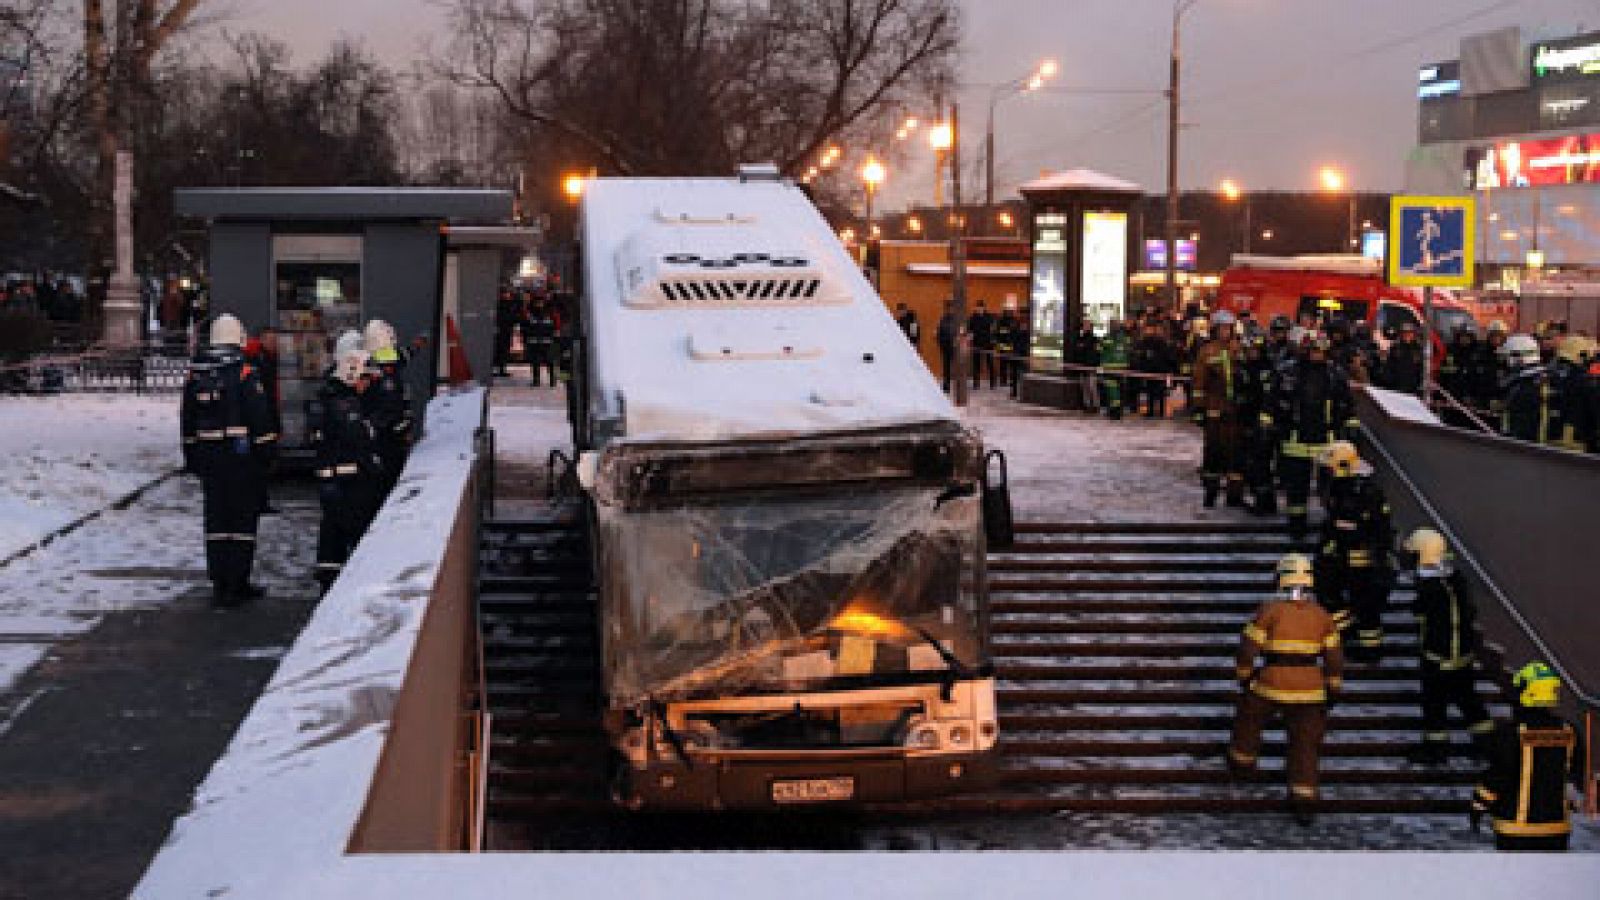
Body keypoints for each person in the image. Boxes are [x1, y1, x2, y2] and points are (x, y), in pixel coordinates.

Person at [1228, 553, 1343, 827]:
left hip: (1271, 682)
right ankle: (1304, 798)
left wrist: (1244, 676)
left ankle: (1242, 763)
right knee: (1305, 744)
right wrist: (1333, 687)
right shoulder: (1322, 616)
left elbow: (1247, 649)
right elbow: (1334, 658)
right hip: (1310, 689)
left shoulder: (1269, 611)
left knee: (1249, 719)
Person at [179, 314, 277, 607]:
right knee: (242, 521)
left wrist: (192, 456)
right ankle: (237, 582)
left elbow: (187, 419)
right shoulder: (244, 372)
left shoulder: (197, 373)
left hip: (209, 458)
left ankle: (219, 581)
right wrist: (267, 453)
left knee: (216, 519)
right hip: (241, 460)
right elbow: (259, 417)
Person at [1402, 527, 1493, 766]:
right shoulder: (1454, 580)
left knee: (1434, 704)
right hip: (1462, 655)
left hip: (1438, 657)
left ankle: (1436, 750)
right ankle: (1487, 744)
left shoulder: (1430, 587)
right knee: (1469, 700)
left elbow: (1422, 613)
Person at [1471, 662, 1584, 852]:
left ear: (1527, 693)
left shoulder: (1512, 733)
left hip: (1514, 831)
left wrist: (1478, 805)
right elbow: (1575, 778)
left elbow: (1498, 776)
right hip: (1556, 830)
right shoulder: (1569, 732)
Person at [308, 344, 385, 595]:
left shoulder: (327, 398)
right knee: (349, 532)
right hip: (348, 483)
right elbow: (359, 439)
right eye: (364, 378)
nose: (367, 384)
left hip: (332, 483)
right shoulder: (345, 405)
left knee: (331, 533)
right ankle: (344, 585)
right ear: (352, 375)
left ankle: (328, 580)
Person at [1313, 441, 1393, 662]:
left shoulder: (1361, 493)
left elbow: (1365, 530)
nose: (1325, 473)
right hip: (1343, 559)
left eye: (1329, 468)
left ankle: (1370, 650)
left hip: (1362, 563)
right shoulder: (1344, 488)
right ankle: (1348, 634)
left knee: (1365, 608)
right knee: (1330, 595)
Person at [1269, 337, 1354, 539]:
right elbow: (1273, 399)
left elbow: (1346, 403)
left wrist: (1350, 426)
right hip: (1295, 440)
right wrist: (1270, 423)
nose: (1317, 355)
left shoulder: (1335, 375)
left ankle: (1332, 526)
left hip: (1326, 441)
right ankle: (1296, 526)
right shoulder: (1289, 372)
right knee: (1297, 487)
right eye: (1314, 351)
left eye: (1321, 352)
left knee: (1332, 487)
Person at [1192, 310, 1246, 506]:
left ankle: (1234, 495)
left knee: (1236, 453)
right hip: (1214, 410)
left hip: (1235, 411)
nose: (1225, 332)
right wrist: (1199, 409)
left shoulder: (1238, 349)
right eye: (1222, 328)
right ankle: (1211, 491)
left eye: (1228, 328)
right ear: (1215, 329)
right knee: (1213, 453)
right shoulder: (1207, 351)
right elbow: (1199, 382)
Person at [363, 319, 415, 499]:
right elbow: (387, 407)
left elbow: (404, 355)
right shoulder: (376, 374)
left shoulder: (387, 364)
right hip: (385, 438)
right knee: (386, 478)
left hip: (390, 436)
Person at [1499, 334, 1551, 442]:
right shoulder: (1526, 380)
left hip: (1523, 446)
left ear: (1520, 357)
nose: (1505, 361)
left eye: (1508, 357)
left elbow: (1525, 425)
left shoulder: (1530, 385)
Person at [1380, 321, 1426, 395]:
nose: (1407, 335)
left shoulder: (1418, 349)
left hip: (1413, 387)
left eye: (1410, 332)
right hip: (1397, 386)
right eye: (1405, 333)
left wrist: (1420, 383)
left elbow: (1422, 367)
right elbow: (1389, 366)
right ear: (1401, 334)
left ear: (1414, 334)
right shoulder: (1395, 348)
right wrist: (1389, 381)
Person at [1098, 320, 1130, 421]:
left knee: (1112, 391)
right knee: (1118, 391)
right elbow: (1128, 350)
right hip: (1122, 369)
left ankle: (1114, 412)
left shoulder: (1107, 338)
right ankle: (1117, 411)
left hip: (1110, 369)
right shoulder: (1125, 338)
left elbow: (1099, 349)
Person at [522, 298, 559, 388]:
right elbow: (555, 327)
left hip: (540, 341)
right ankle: (546, 380)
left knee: (542, 362)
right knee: (543, 362)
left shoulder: (532, 315)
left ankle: (545, 380)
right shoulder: (548, 314)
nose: (539, 305)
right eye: (538, 303)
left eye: (540, 303)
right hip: (541, 341)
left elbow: (525, 328)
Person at [968, 301, 996, 389]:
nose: (979, 309)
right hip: (976, 343)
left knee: (990, 363)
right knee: (976, 364)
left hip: (988, 343)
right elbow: (970, 330)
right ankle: (976, 383)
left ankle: (993, 383)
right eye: (977, 308)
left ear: (984, 308)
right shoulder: (973, 318)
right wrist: (970, 336)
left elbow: (993, 329)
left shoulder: (989, 317)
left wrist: (993, 340)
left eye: (980, 307)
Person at [493, 287, 521, 376]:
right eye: (505, 293)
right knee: (499, 349)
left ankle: (502, 368)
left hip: (506, 330)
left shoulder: (510, 304)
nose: (506, 295)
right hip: (501, 329)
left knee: (504, 349)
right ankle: (499, 369)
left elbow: (514, 316)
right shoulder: (502, 305)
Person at [992, 306, 1019, 389]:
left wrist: (1008, 332)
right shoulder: (1000, 320)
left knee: (1011, 364)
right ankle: (1003, 380)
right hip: (1003, 344)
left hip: (1010, 344)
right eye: (1007, 311)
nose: (1009, 312)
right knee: (1003, 363)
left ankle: (1010, 380)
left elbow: (1016, 332)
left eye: (1010, 311)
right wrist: (1007, 331)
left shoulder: (1015, 320)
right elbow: (997, 332)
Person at [936, 303, 959, 393]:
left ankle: (959, 386)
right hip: (945, 347)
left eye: (952, 308)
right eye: (949, 308)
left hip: (956, 348)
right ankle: (946, 386)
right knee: (946, 367)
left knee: (957, 367)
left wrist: (957, 342)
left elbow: (962, 333)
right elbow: (939, 333)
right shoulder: (943, 320)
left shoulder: (958, 320)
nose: (950, 310)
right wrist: (941, 344)